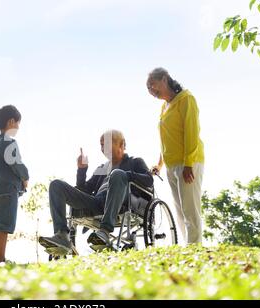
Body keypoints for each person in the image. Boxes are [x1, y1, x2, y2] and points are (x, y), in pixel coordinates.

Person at [38, 129, 153, 255]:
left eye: (107, 144)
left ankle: (104, 231)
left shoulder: (135, 162)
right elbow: (84, 190)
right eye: (101, 144)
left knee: (118, 174)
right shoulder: (102, 168)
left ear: (121, 144)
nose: (103, 148)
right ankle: (62, 236)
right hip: (97, 202)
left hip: (122, 200)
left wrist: (125, 176)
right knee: (56, 185)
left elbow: (148, 180)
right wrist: (82, 170)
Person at [146, 67, 205, 244]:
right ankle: (188, 247)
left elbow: (191, 133)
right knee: (180, 211)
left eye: (153, 85)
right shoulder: (165, 107)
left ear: (164, 79)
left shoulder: (186, 99)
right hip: (172, 165)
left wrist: (188, 164)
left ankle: (195, 248)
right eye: (149, 89)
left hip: (189, 162)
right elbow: (167, 139)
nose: (152, 91)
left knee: (190, 209)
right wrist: (159, 164)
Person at [0, 105, 29, 263]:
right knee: (5, 226)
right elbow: (15, 162)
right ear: (11, 122)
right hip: (8, 189)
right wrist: (25, 177)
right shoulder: (9, 141)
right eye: (18, 123)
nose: (18, 127)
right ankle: (0, 260)